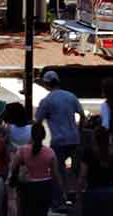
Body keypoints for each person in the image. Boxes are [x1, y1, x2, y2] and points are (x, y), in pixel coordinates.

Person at [35, 69, 84, 205]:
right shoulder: (71, 96)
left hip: (58, 140)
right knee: (76, 168)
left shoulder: (47, 100)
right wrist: (79, 131)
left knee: (58, 170)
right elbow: (82, 115)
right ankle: (77, 194)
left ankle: (62, 196)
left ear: (46, 84)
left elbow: (38, 120)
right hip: (74, 138)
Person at [11, 122, 56, 216]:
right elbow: (55, 174)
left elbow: (14, 167)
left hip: (28, 187)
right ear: (43, 136)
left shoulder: (23, 150)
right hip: (44, 186)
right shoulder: (49, 152)